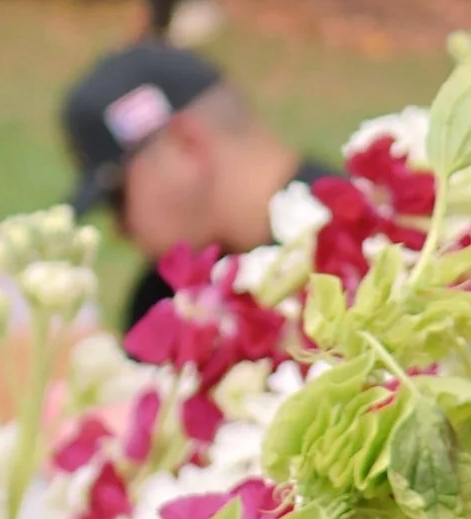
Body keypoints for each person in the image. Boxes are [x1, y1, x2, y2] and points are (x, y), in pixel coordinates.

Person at [61, 37, 330, 333]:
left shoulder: (359, 246)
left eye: (118, 200)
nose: (120, 229)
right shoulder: (166, 295)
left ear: (185, 145)